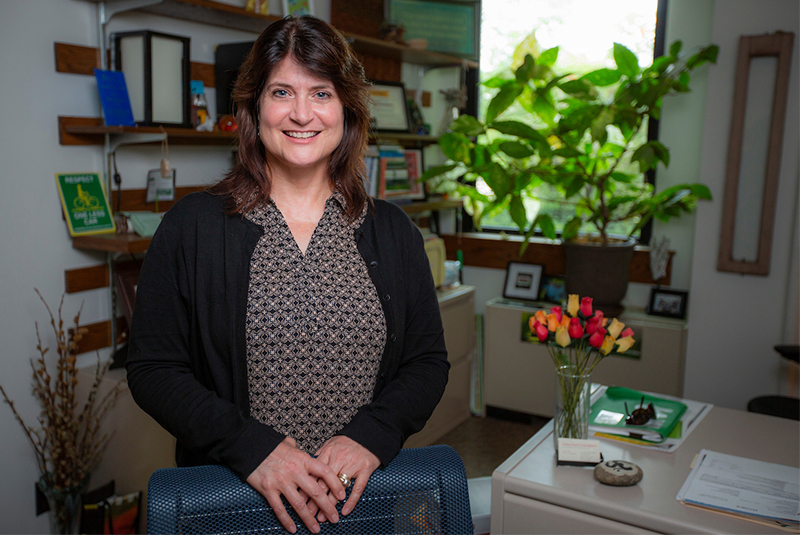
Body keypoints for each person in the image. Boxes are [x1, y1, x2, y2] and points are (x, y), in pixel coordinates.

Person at [125, 15, 449, 535]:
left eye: (321, 93)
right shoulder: (193, 226)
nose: (301, 114)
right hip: (231, 507)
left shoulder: (393, 233)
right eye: (282, 92)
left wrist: (372, 435)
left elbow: (427, 362)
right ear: (255, 107)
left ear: (346, 107)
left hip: (360, 508)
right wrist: (254, 450)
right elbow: (153, 369)